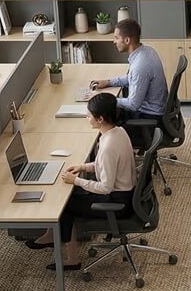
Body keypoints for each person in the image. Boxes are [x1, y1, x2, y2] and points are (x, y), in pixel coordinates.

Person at [26, 92, 137, 271]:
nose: (86, 117)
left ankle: (72, 259)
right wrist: (83, 167)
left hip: (116, 202)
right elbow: (105, 166)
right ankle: (51, 236)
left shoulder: (108, 146)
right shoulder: (118, 132)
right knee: (74, 194)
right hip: (125, 192)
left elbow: (105, 187)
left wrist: (77, 181)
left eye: (89, 115)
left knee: (66, 205)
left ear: (100, 119)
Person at [89, 19, 167, 121]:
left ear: (127, 40)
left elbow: (133, 104)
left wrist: (106, 101)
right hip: (154, 108)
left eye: (116, 38)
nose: (114, 42)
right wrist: (109, 82)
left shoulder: (140, 66)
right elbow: (132, 77)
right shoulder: (147, 51)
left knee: (102, 118)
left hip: (149, 116)